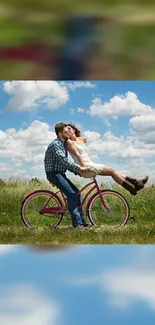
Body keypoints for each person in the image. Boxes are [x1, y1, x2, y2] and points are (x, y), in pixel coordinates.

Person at [65, 123, 149, 196]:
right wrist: (82, 168)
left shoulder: (82, 139)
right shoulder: (69, 142)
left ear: (74, 129)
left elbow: (85, 154)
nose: (67, 130)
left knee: (113, 171)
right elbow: (78, 155)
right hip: (84, 167)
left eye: (69, 128)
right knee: (112, 171)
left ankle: (136, 183)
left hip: (90, 164)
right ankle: (133, 187)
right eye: (65, 130)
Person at [44, 123, 91, 229]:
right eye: (66, 132)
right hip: (54, 173)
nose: (68, 133)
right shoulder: (56, 144)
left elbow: (64, 164)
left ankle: (83, 221)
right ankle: (78, 224)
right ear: (60, 133)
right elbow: (64, 161)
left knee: (77, 193)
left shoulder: (62, 144)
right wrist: (79, 168)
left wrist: (77, 171)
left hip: (60, 173)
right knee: (72, 195)